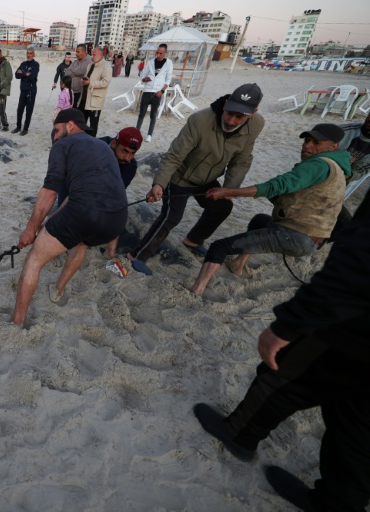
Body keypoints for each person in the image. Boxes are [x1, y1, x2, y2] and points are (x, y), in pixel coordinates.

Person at [193, 189, 370, 512]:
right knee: (359, 420)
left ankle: (240, 434)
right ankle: (338, 502)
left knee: (285, 376)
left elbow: (361, 259)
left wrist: (292, 322)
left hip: (356, 327)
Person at [189, 123, 350, 296]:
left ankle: (195, 292)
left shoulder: (318, 166)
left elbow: (276, 186)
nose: (307, 145)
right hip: (312, 238)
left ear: (333, 146)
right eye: (307, 140)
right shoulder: (338, 168)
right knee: (259, 220)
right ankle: (238, 265)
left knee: (219, 247)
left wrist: (229, 191)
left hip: (295, 236)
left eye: (316, 143)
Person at [126, 83, 265, 276]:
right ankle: (137, 256)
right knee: (171, 217)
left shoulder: (257, 124)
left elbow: (242, 160)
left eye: (239, 116)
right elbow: (174, 155)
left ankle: (193, 240)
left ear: (253, 113)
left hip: (208, 178)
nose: (232, 120)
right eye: (229, 113)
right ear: (226, 103)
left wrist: (229, 189)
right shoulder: (200, 120)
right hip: (180, 176)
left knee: (222, 207)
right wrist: (159, 184)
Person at [10, 109, 128, 326]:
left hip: (84, 212)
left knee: (34, 260)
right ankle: (57, 290)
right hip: (117, 220)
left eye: (56, 130)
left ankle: (17, 321)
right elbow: (80, 193)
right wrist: (52, 220)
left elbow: (50, 191)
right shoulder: (103, 146)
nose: (54, 136)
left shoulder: (62, 145)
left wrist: (31, 230)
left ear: (70, 125)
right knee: (80, 240)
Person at [96, 126, 143, 259]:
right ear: (114, 143)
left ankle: (110, 252)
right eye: (124, 151)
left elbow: (116, 192)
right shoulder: (96, 147)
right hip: (78, 185)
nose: (127, 157)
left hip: (103, 193)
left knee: (119, 206)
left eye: (132, 153)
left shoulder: (130, 165)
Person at [136, 43, 173, 143]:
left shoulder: (168, 63)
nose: (158, 55)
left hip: (157, 92)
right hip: (147, 90)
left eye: (161, 53)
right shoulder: (151, 62)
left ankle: (149, 135)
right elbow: (143, 75)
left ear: (165, 53)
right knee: (141, 113)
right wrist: (145, 79)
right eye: (157, 52)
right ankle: (136, 132)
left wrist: (161, 91)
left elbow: (168, 80)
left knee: (153, 115)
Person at [80, 46, 111, 137]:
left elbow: (105, 82)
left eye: (94, 54)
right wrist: (83, 82)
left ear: (101, 55)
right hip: (85, 99)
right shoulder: (90, 65)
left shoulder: (106, 67)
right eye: (91, 54)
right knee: (82, 123)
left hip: (95, 101)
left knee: (93, 124)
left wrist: (90, 83)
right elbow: (86, 77)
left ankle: (91, 143)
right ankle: (82, 140)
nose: (91, 56)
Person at [12, 47, 39, 136]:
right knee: (19, 109)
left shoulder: (36, 65)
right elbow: (16, 75)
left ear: (34, 54)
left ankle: (25, 128)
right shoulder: (23, 64)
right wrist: (25, 73)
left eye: (31, 53)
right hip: (23, 90)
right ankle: (18, 127)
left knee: (28, 110)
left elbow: (32, 76)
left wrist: (22, 73)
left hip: (31, 90)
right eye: (28, 53)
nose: (29, 55)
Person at [65, 44, 92, 112]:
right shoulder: (75, 61)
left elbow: (83, 71)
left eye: (78, 52)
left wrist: (74, 72)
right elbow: (67, 73)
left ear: (84, 52)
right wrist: (78, 74)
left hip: (82, 93)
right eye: (76, 52)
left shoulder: (89, 61)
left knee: (79, 114)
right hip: (72, 92)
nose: (76, 54)